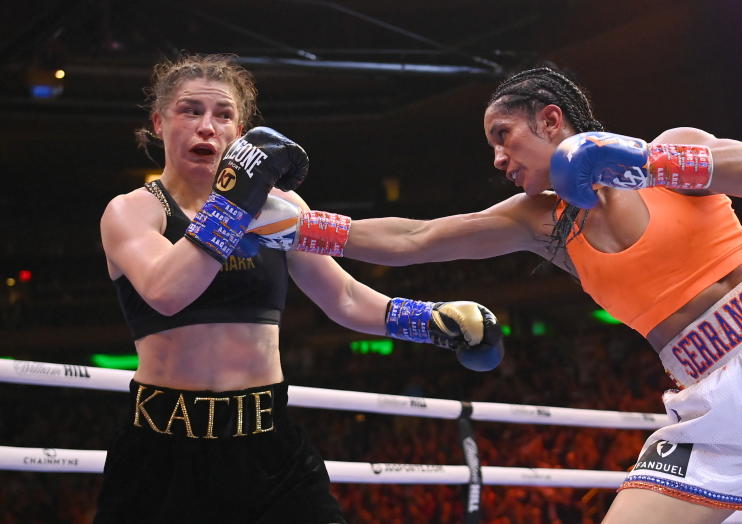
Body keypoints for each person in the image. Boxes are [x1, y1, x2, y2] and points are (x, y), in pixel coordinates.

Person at [245, 66, 742, 522]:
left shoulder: (665, 153)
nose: (496, 158)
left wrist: (648, 159)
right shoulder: (542, 224)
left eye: (502, 136)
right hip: (708, 393)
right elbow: (413, 237)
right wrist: (299, 224)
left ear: (550, 121)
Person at [96, 53, 502, 524]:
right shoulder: (131, 212)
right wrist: (233, 202)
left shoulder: (278, 208)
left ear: (241, 131)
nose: (207, 126)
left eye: (223, 114)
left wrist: (430, 320)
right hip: (163, 453)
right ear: (159, 122)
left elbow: (343, 297)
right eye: (190, 110)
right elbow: (168, 292)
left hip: (270, 447)